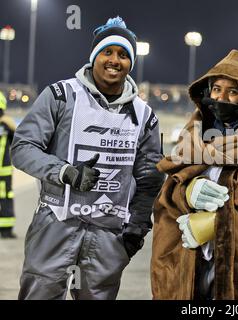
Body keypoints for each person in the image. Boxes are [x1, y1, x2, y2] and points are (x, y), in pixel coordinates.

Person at [11, 16, 165, 300]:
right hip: (56, 225)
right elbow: (22, 148)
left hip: (108, 236)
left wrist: (138, 225)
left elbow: (150, 177)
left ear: (131, 62)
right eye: (107, 52)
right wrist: (64, 172)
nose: (114, 60)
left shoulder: (144, 116)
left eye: (123, 54)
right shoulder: (61, 96)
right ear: (94, 56)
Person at [150, 49, 238, 300]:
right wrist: (188, 194)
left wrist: (219, 224)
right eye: (216, 89)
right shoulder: (192, 136)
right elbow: (165, 200)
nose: (222, 97)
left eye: (233, 91)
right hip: (191, 259)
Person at [0, 91, 17, 239]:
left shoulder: (6, 125)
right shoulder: (6, 125)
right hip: (4, 171)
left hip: (4, 171)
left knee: (5, 197)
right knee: (5, 198)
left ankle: (6, 229)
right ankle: (6, 230)